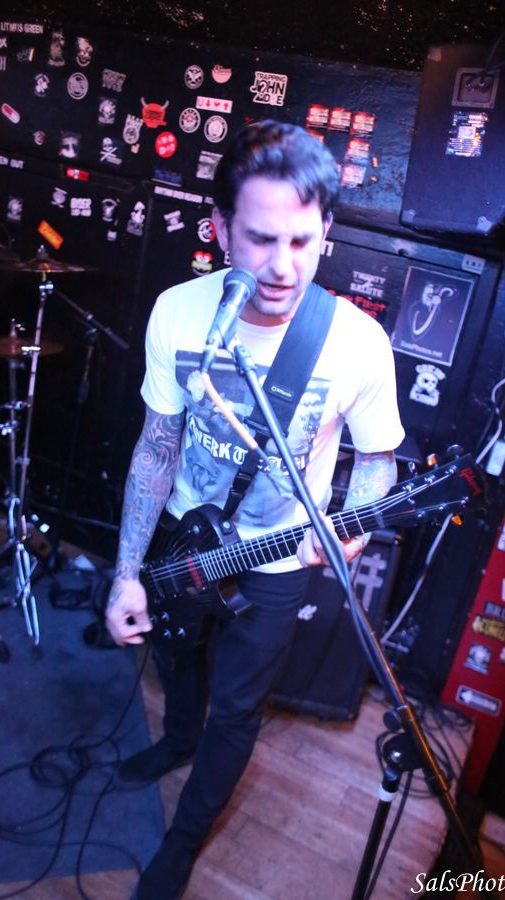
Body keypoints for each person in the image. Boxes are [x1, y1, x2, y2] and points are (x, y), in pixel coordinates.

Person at [105, 119, 405, 899]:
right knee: (175, 659)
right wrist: (127, 572)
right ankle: (177, 739)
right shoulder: (178, 311)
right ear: (219, 227)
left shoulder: (357, 344)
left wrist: (351, 530)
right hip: (184, 538)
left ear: (327, 232)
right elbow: (157, 445)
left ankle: (182, 843)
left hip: (275, 561)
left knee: (237, 710)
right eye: (262, 239)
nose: (282, 266)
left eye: (303, 241)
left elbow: (377, 462)